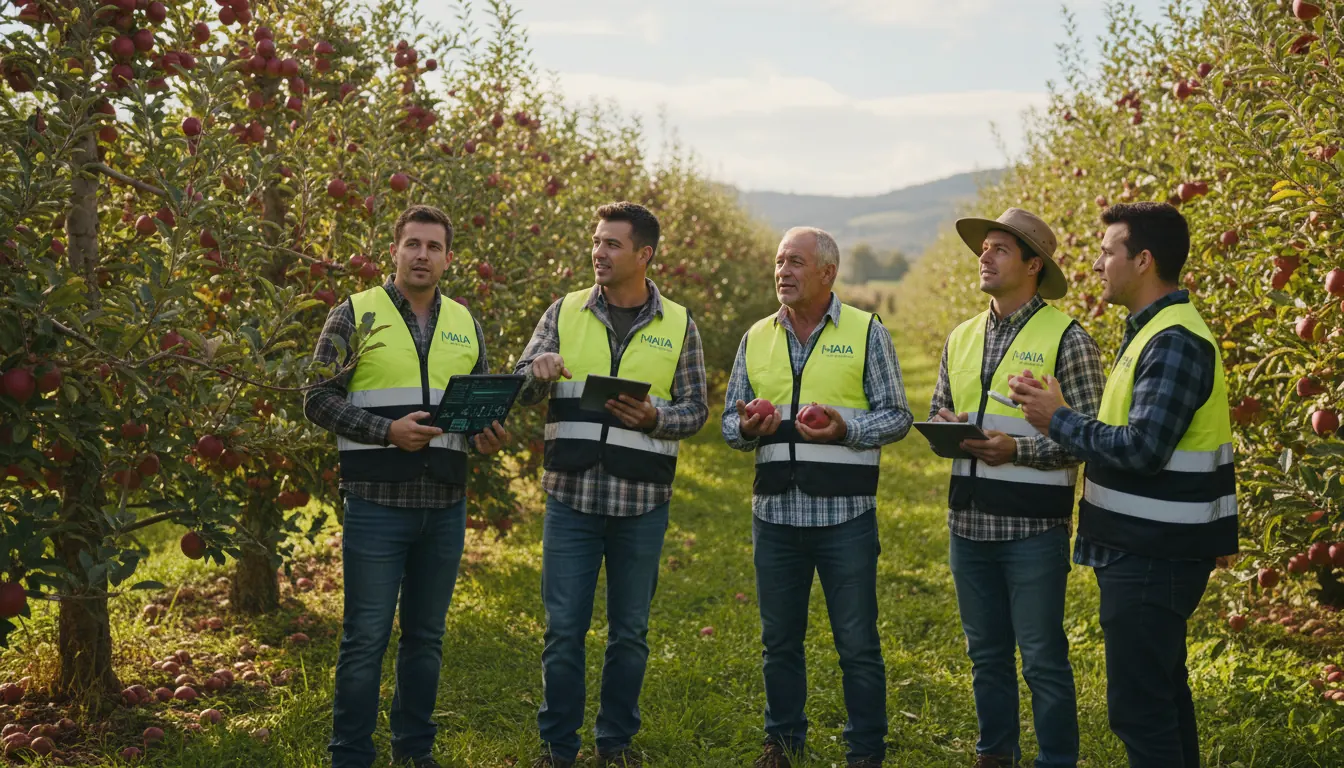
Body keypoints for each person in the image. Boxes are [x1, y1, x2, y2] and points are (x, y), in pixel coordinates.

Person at [1009, 202, 1238, 768]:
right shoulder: (1151, 335)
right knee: (1162, 695)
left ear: (1142, 259)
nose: (1098, 263)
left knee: (1139, 709)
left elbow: (1141, 447)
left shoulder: (1174, 341)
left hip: (1155, 552)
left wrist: (1057, 417)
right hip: (1146, 547)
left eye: (1108, 251)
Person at [305, 204, 509, 768]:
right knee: (365, 638)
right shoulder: (354, 315)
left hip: (444, 502)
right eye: (412, 244)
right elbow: (316, 397)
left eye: (434, 247)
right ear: (392, 251)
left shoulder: (466, 322)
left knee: (426, 638)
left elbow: (475, 406)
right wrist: (385, 431)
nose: (422, 255)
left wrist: (485, 435)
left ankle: (415, 752)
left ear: (448, 258)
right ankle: (350, 755)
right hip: (377, 503)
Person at [513, 201, 709, 768]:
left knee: (630, 632)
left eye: (612, 245)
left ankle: (615, 742)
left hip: (641, 499)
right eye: (596, 242)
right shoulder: (564, 310)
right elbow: (520, 385)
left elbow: (696, 409)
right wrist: (537, 370)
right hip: (571, 495)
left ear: (643, 255)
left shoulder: (679, 323)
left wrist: (656, 420)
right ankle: (558, 747)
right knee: (563, 629)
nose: (599, 253)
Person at [722, 227, 913, 768]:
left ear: (828, 273)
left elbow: (897, 415)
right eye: (780, 261)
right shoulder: (756, 337)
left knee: (857, 644)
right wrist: (748, 428)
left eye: (796, 262)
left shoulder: (865, 331)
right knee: (779, 640)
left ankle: (865, 751)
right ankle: (782, 742)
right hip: (775, 512)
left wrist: (845, 429)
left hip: (844, 515)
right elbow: (729, 423)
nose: (783, 271)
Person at [928, 208, 1104, 768]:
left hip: (1033, 526)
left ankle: (1057, 760)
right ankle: (994, 755)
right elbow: (940, 407)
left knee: (1043, 658)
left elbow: (1094, 437)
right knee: (985, 656)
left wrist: (1017, 449)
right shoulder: (961, 336)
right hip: (969, 519)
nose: (985, 256)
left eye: (1000, 248)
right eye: (984, 248)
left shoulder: (1068, 339)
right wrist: (947, 427)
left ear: (1033, 266)